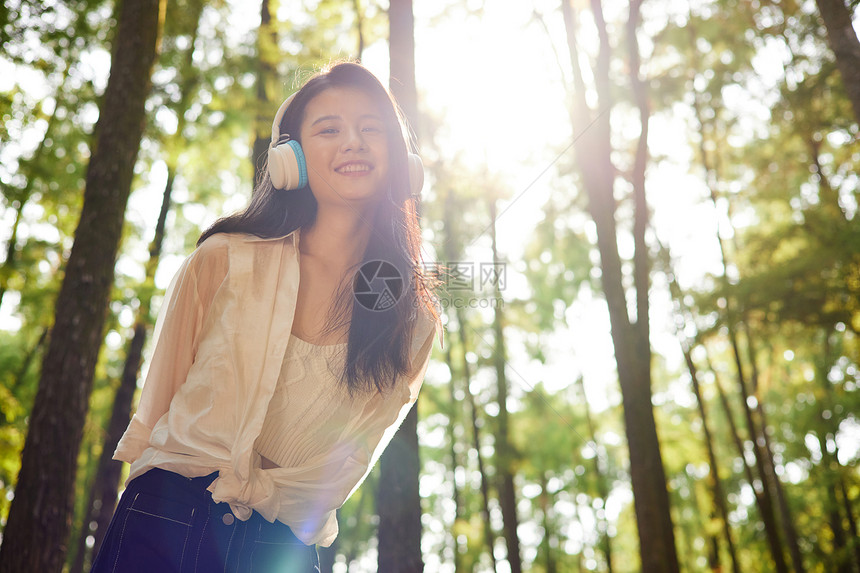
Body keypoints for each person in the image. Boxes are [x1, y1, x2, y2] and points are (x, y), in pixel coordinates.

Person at [90, 61, 441, 573]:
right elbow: (156, 411)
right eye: (329, 129)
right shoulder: (223, 259)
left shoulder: (412, 322)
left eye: (371, 128)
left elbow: (350, 462)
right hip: (166, 516)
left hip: (283, 548)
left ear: (401, 160)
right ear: (289, 158)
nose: (354, 142)